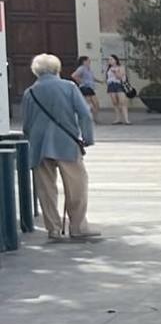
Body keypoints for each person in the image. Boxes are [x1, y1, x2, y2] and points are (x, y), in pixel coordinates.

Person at [21, 54, 100, 242]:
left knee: (45, 189)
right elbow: (84, 114)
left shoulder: (29, 92)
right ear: (57, 69)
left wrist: (33, 138)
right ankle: (78, 226)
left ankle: (53, 229)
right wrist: (87, 138)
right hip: (66, 143)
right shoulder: (69, 87)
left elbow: (26, 124)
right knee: (77, 185)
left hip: (39, 146)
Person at [71, 55, 100, 124]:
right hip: (85, 87)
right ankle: (89, 119)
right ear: (84, 61)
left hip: (90, 87)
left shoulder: (88, 69)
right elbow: (74, 75)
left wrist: (100, 81)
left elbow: (92, 78)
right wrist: (82, 81)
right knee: (89, 104)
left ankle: (94, 118)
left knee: (96, 104)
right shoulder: (81, 68)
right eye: (88, 60)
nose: (89, 61)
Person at [105, 54, 131, 125]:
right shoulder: (108, 68)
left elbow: (120, 77)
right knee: (115, 103)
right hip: (111, 85)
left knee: (122, 102)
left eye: (111, 59)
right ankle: (118, 119)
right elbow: (107, 78)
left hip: (119, 85)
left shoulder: (121, 67)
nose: (109, 61)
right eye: (109, 59)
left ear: (115, 60)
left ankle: (126, 119)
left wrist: (116, 72)